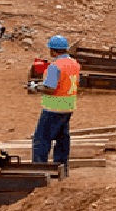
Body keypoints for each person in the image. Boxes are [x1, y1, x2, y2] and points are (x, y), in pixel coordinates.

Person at [28, 35, 80, 168]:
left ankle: (39, 169)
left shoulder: (55, 66)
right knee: (62, 140)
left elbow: (50, 88)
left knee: (41, 139)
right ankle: (61, 168)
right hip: (68, 106)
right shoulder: (74, 63)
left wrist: (35, 87)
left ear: (53, 50)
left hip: (53, 108)